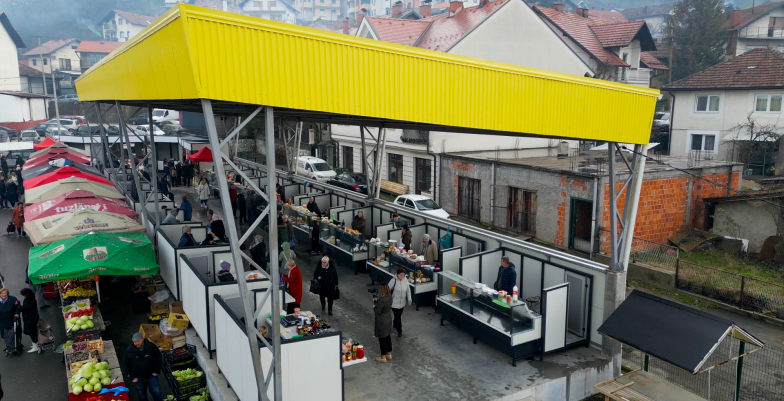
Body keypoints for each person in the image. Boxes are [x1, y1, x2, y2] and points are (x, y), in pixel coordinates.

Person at [123, 332, 163, 401]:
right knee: (142, 396)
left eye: (138, 341)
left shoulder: (151, 346)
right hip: (138, 378)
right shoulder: (129, 351)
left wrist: (156, 371)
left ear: (142, 339)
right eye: (135, 342)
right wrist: (132, 377)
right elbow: (126, 364)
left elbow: (158, 357)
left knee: (157, 393)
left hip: (151, 375)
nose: (137, 343)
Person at [388, 267, 412, 337]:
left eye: (403, 275)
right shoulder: (393, 280)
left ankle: (395, 324)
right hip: (394, 303)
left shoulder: (405, 280)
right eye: (401, 275)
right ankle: (399, 330)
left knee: (398, 316)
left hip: (402, 303)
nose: (402, 276)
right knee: (398, 317)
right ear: (397, 274)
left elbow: (408, 290)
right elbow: (387, 289)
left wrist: (409, 299)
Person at [373, 283, 394, 363]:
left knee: (382, 338)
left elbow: (377, 311)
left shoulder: (382, 300)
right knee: (387, 337)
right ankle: (389, 353)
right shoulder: (390, 297)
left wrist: (374, 304)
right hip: (388, 319)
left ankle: (383, 357)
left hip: (381, 321)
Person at [18, 288, 40, 354]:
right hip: (33, 318)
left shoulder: (28, 301)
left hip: (30, 319)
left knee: (32, 332)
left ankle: (35, 346)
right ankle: (35, 344)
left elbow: (23, 308)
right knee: (33, 331)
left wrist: (17, 305)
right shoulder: (32, 299)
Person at [0, 288, 20, 356]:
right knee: (4, 335)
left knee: (12, 334)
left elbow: (17, 307)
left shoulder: (13, 299)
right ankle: (9, 346)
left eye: (5, 293)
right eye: (2, 293)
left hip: (12, 319)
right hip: (2, 321)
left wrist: (17, 313)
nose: (4, 295)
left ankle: (13, 348)